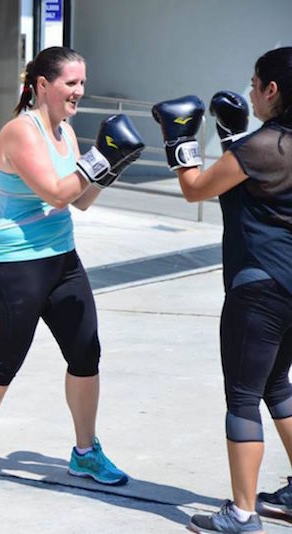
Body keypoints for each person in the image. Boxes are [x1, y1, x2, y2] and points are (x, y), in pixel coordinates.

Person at [0, 46, 145, 490]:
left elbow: (80, 200)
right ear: (42, 85)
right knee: (3, 363)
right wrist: (101, 157)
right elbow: (56, 192)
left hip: (63, 260)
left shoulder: (66, 133)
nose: (80, 91)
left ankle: (85, 452)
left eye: (82, 83)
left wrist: (112, 166)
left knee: (86, 355)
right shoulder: (21, 132)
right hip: (16, 265)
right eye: (71, 83)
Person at [154, 47, 292, 534]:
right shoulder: (262, 146)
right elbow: (246, 196)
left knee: (242, 397)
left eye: (256, 83)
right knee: (278, 386)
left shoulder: (261, 148)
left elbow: (196, 188)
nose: (251, 90)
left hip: (258, 288)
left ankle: (242, 512)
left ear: (273, 90)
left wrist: (179, 139)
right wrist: (236, 135)